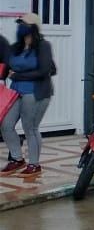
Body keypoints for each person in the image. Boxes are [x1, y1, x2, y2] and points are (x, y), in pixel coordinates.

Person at [1, 14, 55, 178]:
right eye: (19, 23)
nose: (20, 26)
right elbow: (7, 67)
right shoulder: (15, 47)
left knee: (30, 128)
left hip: (36, 92)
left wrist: (18, 76)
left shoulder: (43, 46)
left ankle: (34, 164)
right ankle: (17, 158)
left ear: (33, 27)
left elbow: (45, 71)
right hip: (16, 91)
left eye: (23, 23)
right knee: (6, 124)